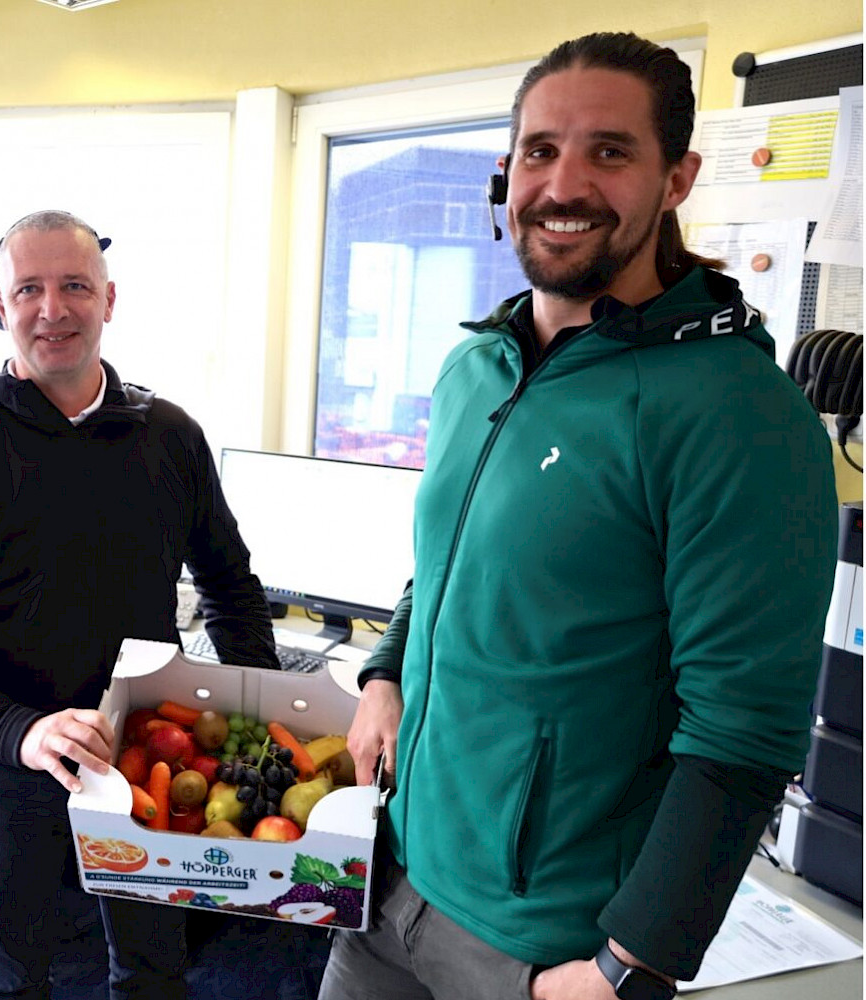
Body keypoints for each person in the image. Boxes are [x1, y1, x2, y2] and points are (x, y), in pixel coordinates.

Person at [319, 31, 838, 1000]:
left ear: (676, 178)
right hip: (391, 876)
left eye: (609, 151)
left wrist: (627, 967)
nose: (563, 184)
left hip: (538, 941)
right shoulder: (476, 366)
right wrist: (387, 670)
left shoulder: (735, 413)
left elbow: (745, 734)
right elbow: (452, 559)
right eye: (538, 150)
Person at [0, 209, 280, 1000]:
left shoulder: (171, 436)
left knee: (155, 971)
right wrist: (17, 731)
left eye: (74, 287)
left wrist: (261, 715)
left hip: (148, 755)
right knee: (14, 977)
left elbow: (230, 587)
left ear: (109, 300)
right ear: (0, 308)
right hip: (4, 761)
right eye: (29, 288)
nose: (52, 309)